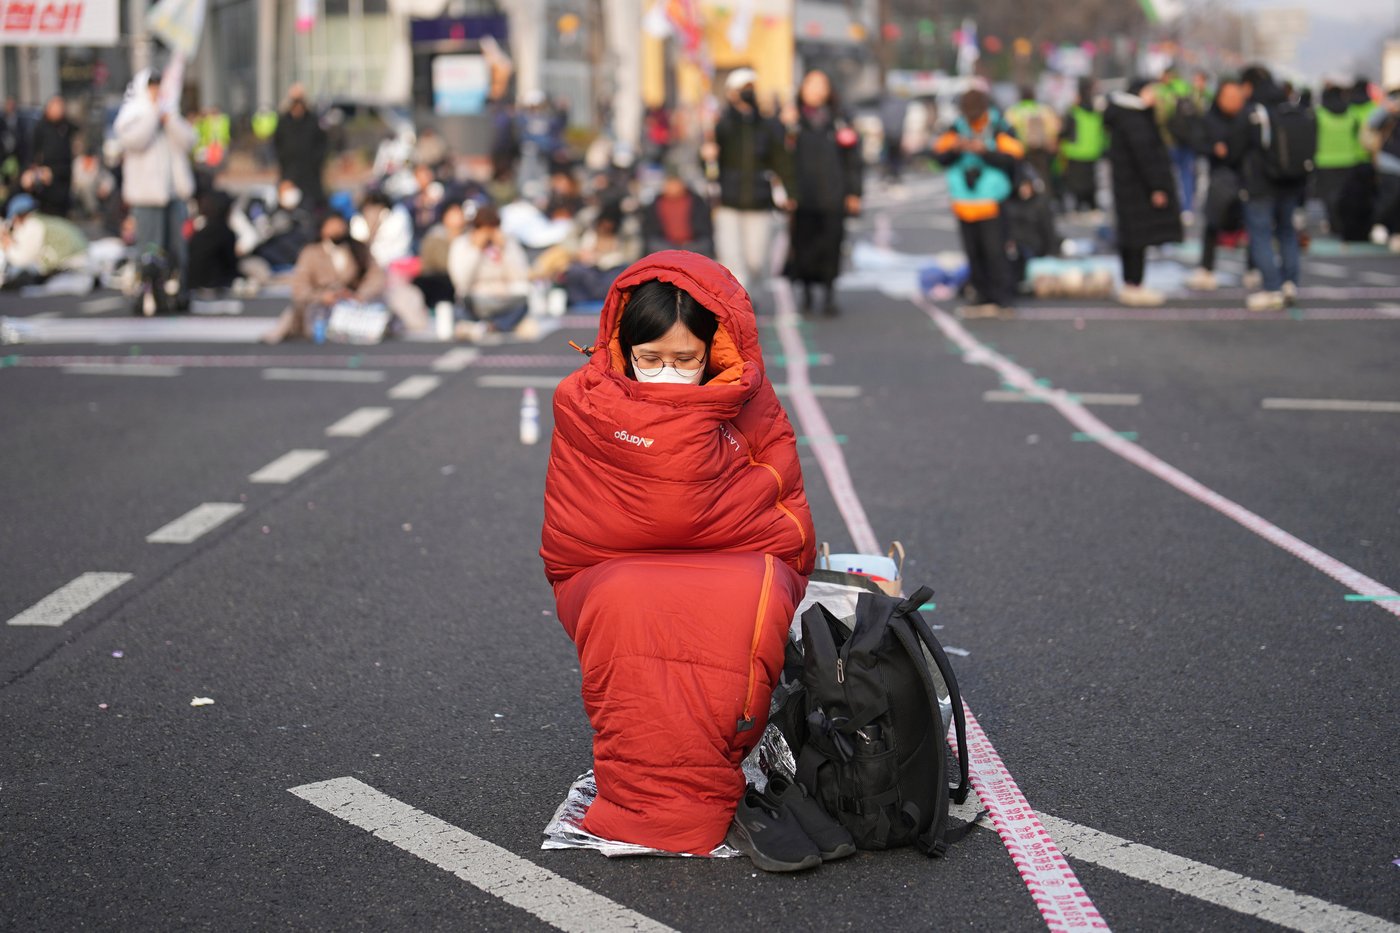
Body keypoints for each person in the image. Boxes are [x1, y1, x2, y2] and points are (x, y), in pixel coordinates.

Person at [541, 250, 816, 867]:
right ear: (621, 348)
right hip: (607, 565)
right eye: (651, 359)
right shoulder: (581, 402)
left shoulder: (751, 399)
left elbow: (781, 505)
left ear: (715, 351)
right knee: (625, 602)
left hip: (734, 555)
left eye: (685, 360)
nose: (667, 371)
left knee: (748, 595)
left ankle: (677, 790)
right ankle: (660, 798)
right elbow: (573, 530)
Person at [932, 87, 1023, 318]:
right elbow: (939, 156)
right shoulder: (956, 128)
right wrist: (957, 148)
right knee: (973, 252)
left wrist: (985, 151)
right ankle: (981, 295)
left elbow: (1013, 157)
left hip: (991, 200)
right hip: (964, 200)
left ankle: (1002, 298)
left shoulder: (999, 125)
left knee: (996, 252)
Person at [704, 68, 794, 292]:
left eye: (750, 88)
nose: (746, 93)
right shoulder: (721, 124)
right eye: (742, 89)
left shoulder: (767, 125)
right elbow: (709, 168)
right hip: (728, 201)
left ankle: (749, 295)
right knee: (732, 259)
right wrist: (706, 155)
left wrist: (791, 192)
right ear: (731, 93)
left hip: (759, 200)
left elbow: (781, 160)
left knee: (756, 259)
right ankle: (739, 307)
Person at [783, 70, 862, 316]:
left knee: (831, 245)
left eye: (821, 85)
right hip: (802, 197)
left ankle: (829, 294)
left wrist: (854, 192)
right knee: (803, 246)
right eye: (811, 85)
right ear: (802, 89)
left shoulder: (840, 120)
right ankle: (805, 293)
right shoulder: (792, 121)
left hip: (833, 195)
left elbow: (853, 160)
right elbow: (780, 158)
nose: (816, 90)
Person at [114, 69, 196, 295]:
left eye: (159, 86)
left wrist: (169, 119)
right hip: (146, 196)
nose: (157, 91)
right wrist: (152, 114)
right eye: (152, 86)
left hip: (174, 193)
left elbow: (190, 140)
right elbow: (134, 140)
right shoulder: (133, 113)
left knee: (177, 248)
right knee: (150, 249)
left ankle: (176, 292)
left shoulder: (170, 112)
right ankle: (148, 293)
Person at [1103, 79, 1182, 307]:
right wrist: (1156, 186)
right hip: (1137, 186)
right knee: (1138, 237)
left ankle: (1131, 283)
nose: (1156, 96)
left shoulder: (1123, 115)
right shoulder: (1134, 118)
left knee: (1130, 235)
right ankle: (1135, 284)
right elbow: (1145, 156)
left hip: (1126, 184)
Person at [1240, 64, 1311, 311]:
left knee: (1260, 234)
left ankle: (1271, 288)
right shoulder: (1292, 107)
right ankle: (1290, 282)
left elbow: (1240, 146)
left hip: (1262, 183)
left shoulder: (1256, 111)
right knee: (1286, 232)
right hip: (1291, 181)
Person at [263, 212, 385, 344]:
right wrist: (323, 296)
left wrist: (360, 295)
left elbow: (376, 276)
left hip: (352, 305)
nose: (337, 230)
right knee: (296, 312)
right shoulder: (311, 253)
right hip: (320, 306)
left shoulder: (358, 250)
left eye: (340, 226)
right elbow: (299, 288)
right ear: (322, 229)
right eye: (332, 226)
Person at [1187, 78, 1250, 291]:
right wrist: (1214, 148)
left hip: (1246, 177)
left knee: (1250, 224)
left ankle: (1253, 268)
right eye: (1229, 97)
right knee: (1213, 223)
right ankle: (1206, 268)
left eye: (1237, 97)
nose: (1234, 101)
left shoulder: (1248, 118)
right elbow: (1196, 142)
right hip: (1219, 177)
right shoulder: (1208, 118)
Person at [447, 204, 531, 339]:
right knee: (460, 307)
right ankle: (488, 325)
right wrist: (475, 250)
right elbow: (461, 281)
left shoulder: (508, 243)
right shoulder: (462, 244)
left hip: (503, 299)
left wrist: (504, 249)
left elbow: (520, 276)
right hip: (475, 299)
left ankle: (490, 326)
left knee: (523, 303)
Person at [0, 192, 88, 288]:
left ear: (18, 217)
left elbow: (23, 260)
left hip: (73, 265)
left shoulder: (33, 226)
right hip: (79, 258)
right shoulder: (40, 221)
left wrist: (7, 245)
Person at [1313, 84, 1365, 238]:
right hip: (1349, 160)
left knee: (1329, 197)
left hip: (1324, 161)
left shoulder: (1319, 114)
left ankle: (1334, 224)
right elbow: (1359, 136)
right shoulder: (1352, 113)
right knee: (1345, 196)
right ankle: (1344, 224)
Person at [272, 85, 329, 211]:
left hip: (310, 176)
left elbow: (323, 144)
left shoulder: (313, 121)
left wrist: (316, 161)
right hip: (289, 173)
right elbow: (277, 144)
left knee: (313, 207)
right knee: (288, 204)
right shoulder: (283, 122)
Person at [1059, 79, 1106, 215]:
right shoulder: (1096, 111)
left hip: (1075, 151)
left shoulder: (1073, 111)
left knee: (1076, 182)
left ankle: (1079, 205)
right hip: (1093, 150)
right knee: (1091, 180)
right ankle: (1092, 205)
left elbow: (1065, 131)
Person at [25, 96, 77, 218]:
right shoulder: (40, 127)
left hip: (62, 176)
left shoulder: (66, 127)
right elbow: (32, 153)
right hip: (45, 178)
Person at [1005, 86, 1060, 199]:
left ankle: (1027, 202)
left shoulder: (1014, 111)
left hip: (1021, 151)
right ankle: (1045, 201)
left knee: (1024, 179)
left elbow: (1006, 131)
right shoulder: (1043, 109)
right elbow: (1054, 129)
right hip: (1041, 151)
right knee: (1043, 177)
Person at [642, 169, 714, 256]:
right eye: (670, 184)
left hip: (692, 244)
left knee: (703, 245)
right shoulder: (656, 204)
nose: (673, 188)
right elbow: (649, 229)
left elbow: (704, 226)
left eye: (675, 184)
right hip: (665, 245)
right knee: (654, 245)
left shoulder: (696, 202)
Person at [185, 190, 241, 294]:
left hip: (193, 284)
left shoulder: (200, 231)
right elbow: (231, 266)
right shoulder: (226, 233)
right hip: (216, 284)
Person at [1367, 90, 1400, 250]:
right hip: (1389, 161)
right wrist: (1387, 107)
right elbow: (1372, 123)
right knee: (1389, 197)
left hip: (1390, 160)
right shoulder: (1388, 113)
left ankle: (1394, 232)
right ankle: (1379, 225)